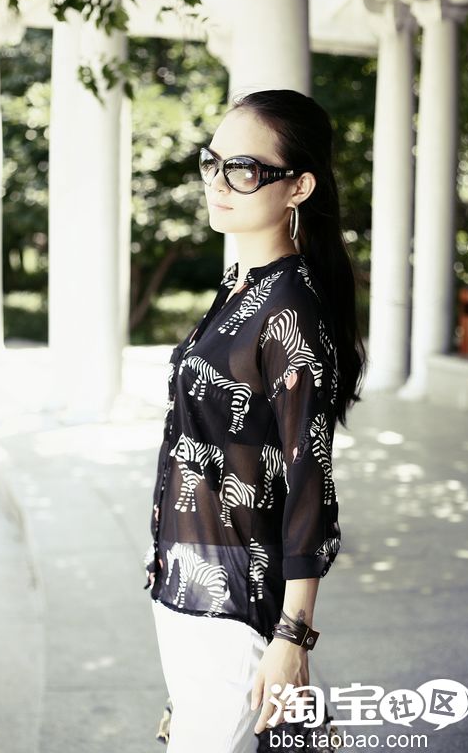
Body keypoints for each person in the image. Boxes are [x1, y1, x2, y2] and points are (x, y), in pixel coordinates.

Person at [143, 89, 366, 753]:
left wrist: (291, 639)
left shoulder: (289, 309)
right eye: (212, 163)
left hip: (233, 601)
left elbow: (309, 483)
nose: (218, 183)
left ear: (298, 186)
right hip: (187, 583)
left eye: (243, 169)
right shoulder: (242, 285)